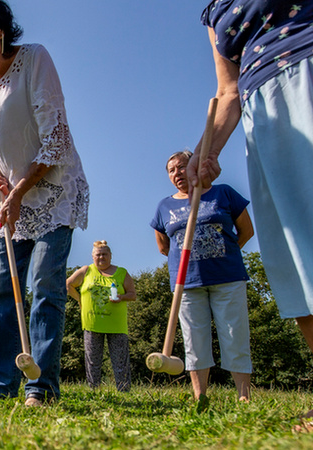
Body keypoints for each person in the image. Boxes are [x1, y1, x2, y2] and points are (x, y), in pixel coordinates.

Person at [0, 0, 89, 406]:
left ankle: (41, 387)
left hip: (52, 191)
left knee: (44, 285)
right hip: (7, 200)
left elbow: (55, 137)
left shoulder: (34, 60)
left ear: (2, 29)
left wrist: (20, 191)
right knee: (2, 293)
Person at [192, 1, 313, 388]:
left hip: (306, 65)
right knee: (295, 253)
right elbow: (227, 90)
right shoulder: (213, 12)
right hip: (261, 109)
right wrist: (204, 152)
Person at [151, 150, 254, 403]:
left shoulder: (224, 193)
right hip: (187, 283)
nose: (177, 173)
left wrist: (220, 256)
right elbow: (164, 246)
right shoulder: (165, 206)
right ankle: (200, 397)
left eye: (182, 166)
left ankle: (244, 396)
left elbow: (246, 231)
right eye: (171, 170)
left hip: (227, 277)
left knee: (234, 334)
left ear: (195, 166)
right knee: (194, 340)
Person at [66, 241, 136, 393]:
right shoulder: (86, 271)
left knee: (120, 360)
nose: (101, 257)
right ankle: (94, 391)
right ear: (92, 257)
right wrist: (80, 300)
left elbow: (133, 294)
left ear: (110, 256)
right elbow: (68, 285)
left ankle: (124, 391)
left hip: (116, 324)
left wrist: (122, 297)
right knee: (93, 360)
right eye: (98, 254)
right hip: (92, 323)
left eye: (105, 254)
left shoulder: (121, 272)